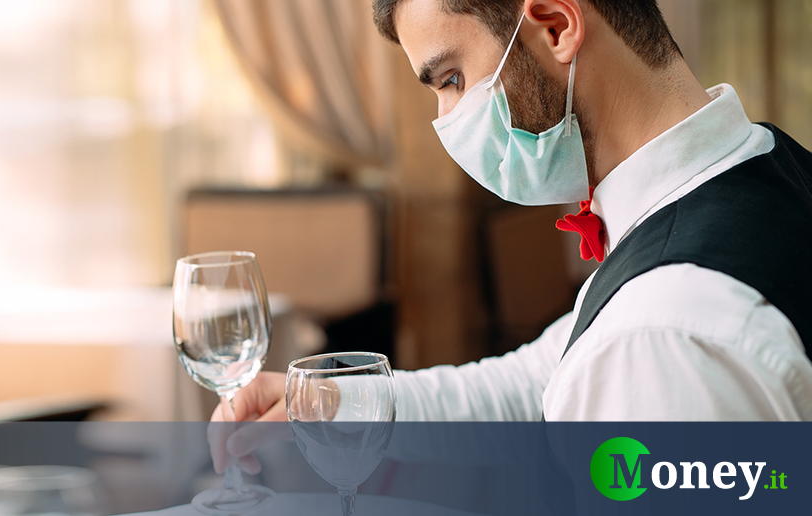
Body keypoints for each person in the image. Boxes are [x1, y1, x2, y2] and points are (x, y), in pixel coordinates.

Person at [208, 0, 812, 476]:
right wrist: (334, 403)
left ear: (555, 26)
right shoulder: (760, 163)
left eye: (452, 78)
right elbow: (540, 380)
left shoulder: (658, 335)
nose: (446, 120)